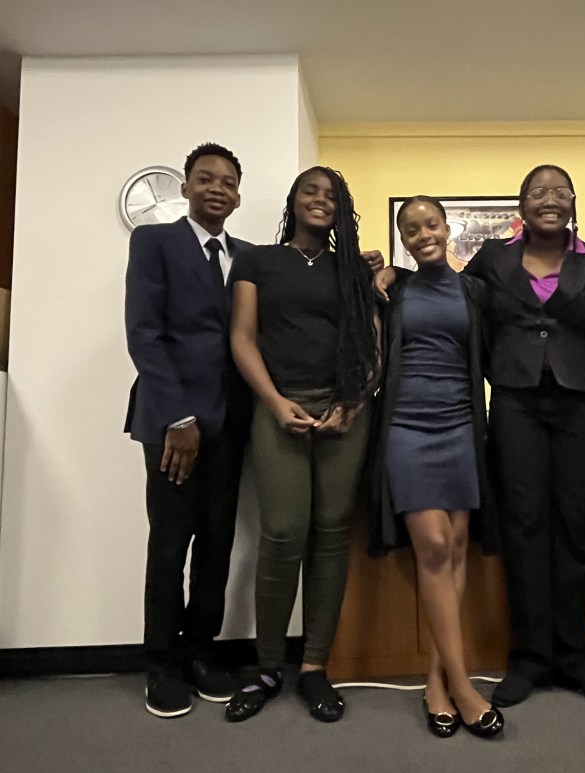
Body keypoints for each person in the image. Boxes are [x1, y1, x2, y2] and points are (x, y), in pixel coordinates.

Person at [375, 166, 585, 709]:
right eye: (538, 192)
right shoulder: (492, 259)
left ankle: (576, 655)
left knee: (575, 527)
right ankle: (530, 656)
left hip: (580, 407)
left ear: (573, 201)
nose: (549, 199)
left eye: (560, 191)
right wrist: (390, 271)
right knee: (523, 526)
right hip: (514, 405)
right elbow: (443, 289)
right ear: (521, 205)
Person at [225, 166, 378, 723]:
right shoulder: (257, 261)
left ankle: (314, 666)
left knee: (332, 534)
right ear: (293, 200)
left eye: (331, 194)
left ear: (342, 209)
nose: (320, 199)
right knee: (283, 533)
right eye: (310, 191)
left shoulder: (353, 269)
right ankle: (268, 666)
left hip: (345, 411)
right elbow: (242, 337)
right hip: (279, 407)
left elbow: (372, 344)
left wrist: (353, 404)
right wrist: (272, 401)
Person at [125, 142, 251, 718]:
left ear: (238, 196)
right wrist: (178, 419)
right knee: (170, 542)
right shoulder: (155, 242)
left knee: (217, 543)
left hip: (230, 421)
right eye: (206, 179)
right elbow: (144, 334)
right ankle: (161, 663)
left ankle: (201, 651)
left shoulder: (247, 257)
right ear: (186, 187)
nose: (217, 188)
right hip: (172, 422)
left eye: (227, 182)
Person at [370, 196, 503, 738]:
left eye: (431, 225)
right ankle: (464, 685)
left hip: (462, 427)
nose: (423, 234)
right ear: (403, 239)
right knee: (433, 545)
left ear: (448, 229)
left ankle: (435, 683)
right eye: (411, 229)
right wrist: (377, 267)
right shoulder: (393, 288)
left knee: (457, 546)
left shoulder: (473, 290)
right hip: (406, 427)